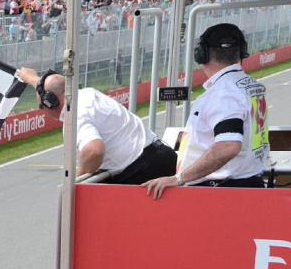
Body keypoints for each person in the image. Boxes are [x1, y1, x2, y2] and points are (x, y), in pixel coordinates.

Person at [145, 23, 269, 197]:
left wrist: (180, 178)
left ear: (201, 54)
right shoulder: (248, 85)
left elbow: (228, 146)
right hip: (245, 183)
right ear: (242, 52)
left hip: (222, 192)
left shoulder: (223, 93)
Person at [17, 67, 177, 184]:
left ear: (50, 103)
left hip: (142, 171)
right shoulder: (87, 94)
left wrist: (77, 183)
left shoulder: (75, 115)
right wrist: (31, 78)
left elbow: (94, 150)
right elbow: (53, 87)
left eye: (41, 106)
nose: (43, 109)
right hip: (162, 156)